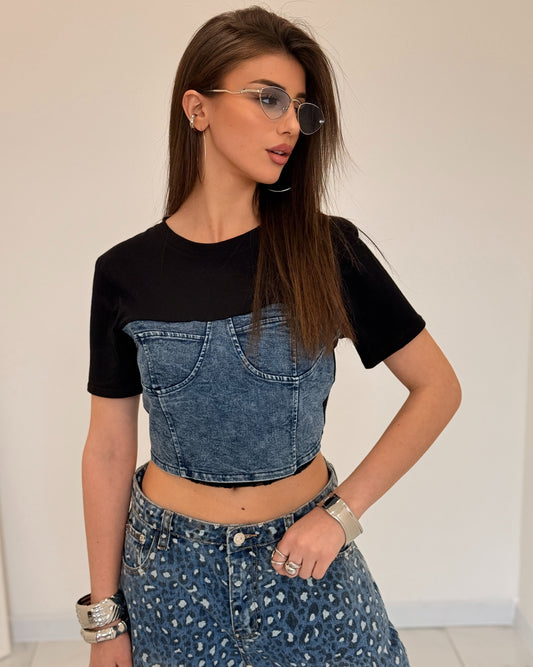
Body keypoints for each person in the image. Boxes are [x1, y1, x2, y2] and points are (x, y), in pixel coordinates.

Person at [77, 6, 461, 667]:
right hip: (169, 573)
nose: (289, 124)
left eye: (301, 109)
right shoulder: (124, 272)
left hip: (304, 560)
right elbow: (109, 449)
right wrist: (104, 620)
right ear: (197, 108)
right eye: (268, 98)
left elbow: (437, 388)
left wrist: (339, 515)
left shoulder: (326, 250)